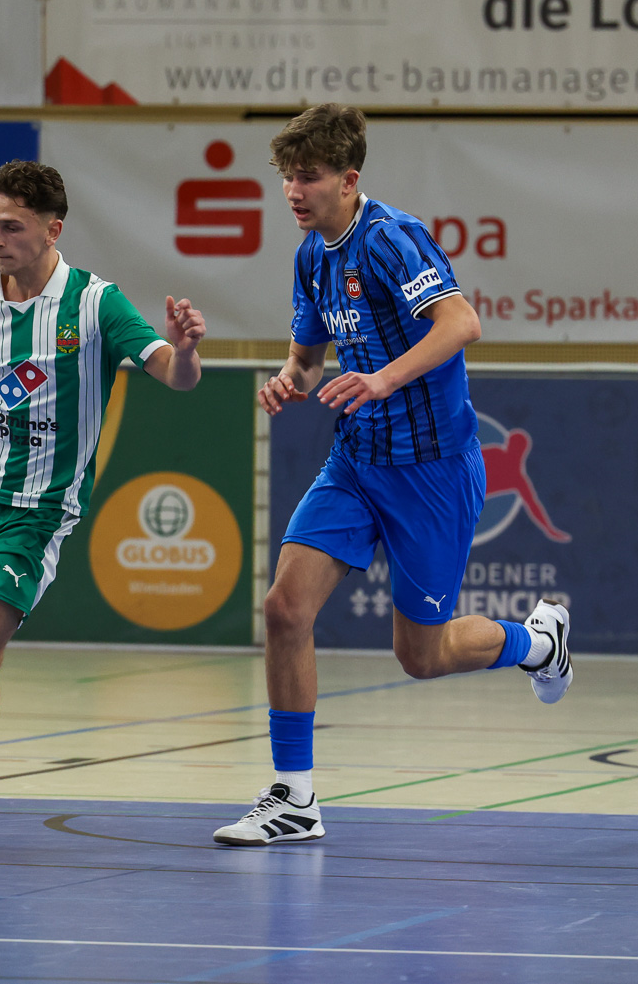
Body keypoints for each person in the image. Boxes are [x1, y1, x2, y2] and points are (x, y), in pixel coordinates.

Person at [212, 104, 572, 847]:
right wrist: (287, 381)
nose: (293, 191)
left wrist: (381, 379)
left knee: (422, 656)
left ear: (348, 180)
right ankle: (295, 798)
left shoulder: (390, 238)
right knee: (285, 610)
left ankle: (539, 643)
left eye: (309, 177)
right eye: (286, 177)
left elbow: (462, 323)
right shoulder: (311, 256)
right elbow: (307, 360)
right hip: (355, 462)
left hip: (431, 470)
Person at [0, 159, 206, 850]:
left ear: (53, 230)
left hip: (37, 510)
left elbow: (174, 377)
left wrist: (185, 350)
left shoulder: (95, 304)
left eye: (13, 227)